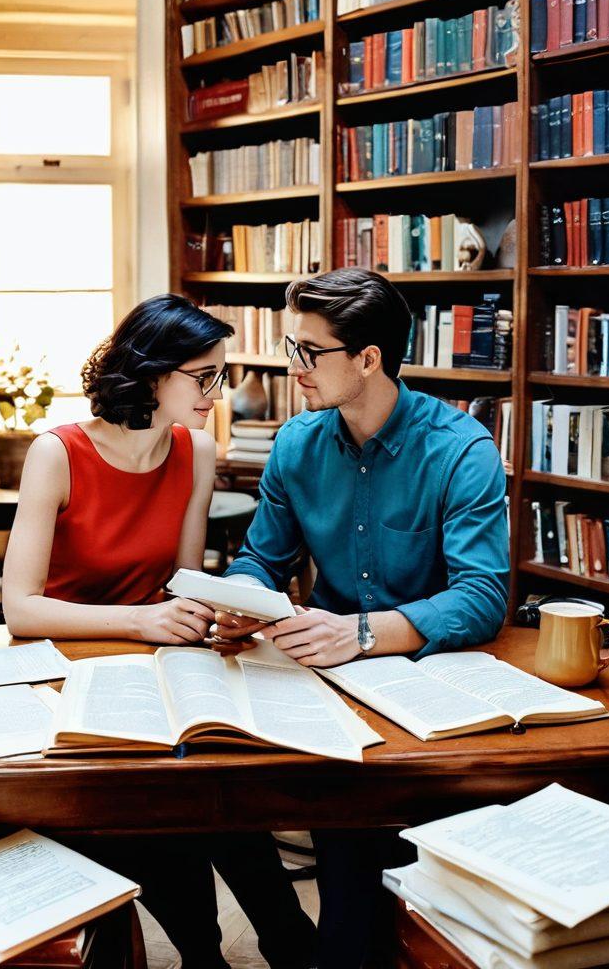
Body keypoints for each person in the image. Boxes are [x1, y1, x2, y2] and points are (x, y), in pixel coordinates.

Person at [2, 294, 316, 969]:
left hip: (159, 665)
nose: (218, 391)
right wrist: (143, 620)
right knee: (178, 795)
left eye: (220, 374)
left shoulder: (196, 451)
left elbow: (183, 584)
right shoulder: (57, 453)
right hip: (66, 671)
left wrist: (228, 616)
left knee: (221, 770)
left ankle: (272, 941)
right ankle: (232, 944)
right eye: (204, 376)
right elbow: (20, 609)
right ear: (152, 376)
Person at [213, 267, 510, 968]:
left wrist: (363, 632)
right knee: (212, 787)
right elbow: (263, 555)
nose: (294, 366)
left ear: (369, 359)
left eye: (309, 352)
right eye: (293, 346)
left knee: (360, 850)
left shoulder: (461, 450)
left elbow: (481, 597)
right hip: (327, 685)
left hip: (433, 688)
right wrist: (238, 599)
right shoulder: (296, 444)